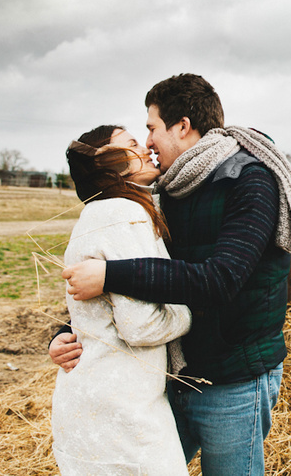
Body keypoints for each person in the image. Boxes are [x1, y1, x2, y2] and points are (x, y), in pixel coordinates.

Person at [51, 73, 291, 476]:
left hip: (232, 379)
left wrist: (108, 276)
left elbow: (220, 279)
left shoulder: (249, 180)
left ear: (183, 126)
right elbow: (143, 274)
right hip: (175, 375)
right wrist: (72, 330)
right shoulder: (166, 189)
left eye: (151, 128)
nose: (148, 141)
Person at [51, 125, 192, 475]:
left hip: (103, 401)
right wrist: (190, 312)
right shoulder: (119, 214)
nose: (146, 148)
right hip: (120, 410)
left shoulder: (104, 211)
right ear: (110, 163)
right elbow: (140, 326)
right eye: (131, 144)